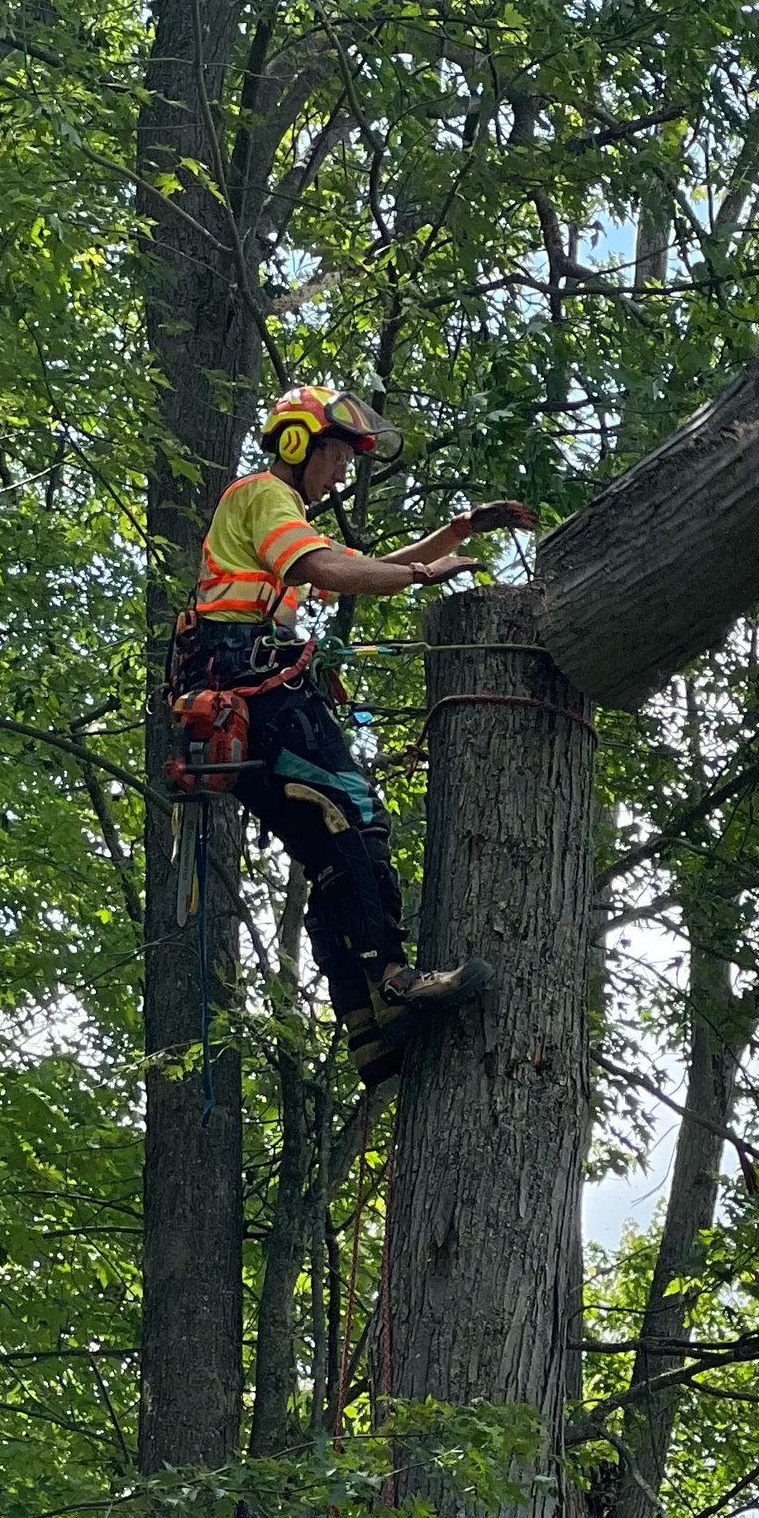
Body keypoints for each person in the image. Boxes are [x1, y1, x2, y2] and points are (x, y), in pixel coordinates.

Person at [169, 385, 536, 1088]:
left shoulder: (273, 516)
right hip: (255, 689)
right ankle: (392, 977)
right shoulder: (263, 495)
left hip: (241, 695)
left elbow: (346, 563)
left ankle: (367, 1026)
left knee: (330, 846)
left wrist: (454, 532)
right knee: (353, 813)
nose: (340, 474)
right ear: (298, 443)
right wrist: (423, 574)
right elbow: (331, 570)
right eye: (335, 455)